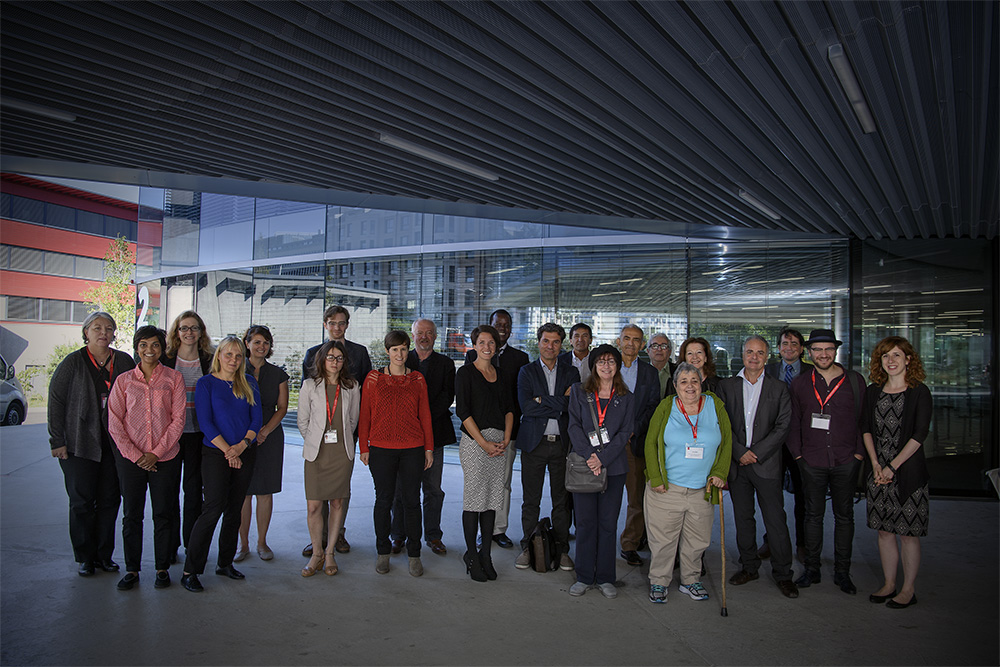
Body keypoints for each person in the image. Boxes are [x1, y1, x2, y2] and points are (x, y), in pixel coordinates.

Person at [48, 311, 135, 577]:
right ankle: (85, 557)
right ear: (86, 332)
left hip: (115, 445)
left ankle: (103, 556)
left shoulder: (123, 361)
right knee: (82, 501)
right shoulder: (72, 363)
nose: (103, 333)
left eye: (109, 328)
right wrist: (57, 440)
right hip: (78, 445)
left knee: (109, 500)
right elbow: (56, 401)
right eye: (97, 328)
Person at [717, 336, 798, 598]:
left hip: (767, 464)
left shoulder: (779, 388)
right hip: (738, 464)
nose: (754, 357)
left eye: (759, 353)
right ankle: (749, 566)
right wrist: (740, 452)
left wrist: (756, 453)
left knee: (775, 521)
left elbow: (783, 426)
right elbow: (722, 423)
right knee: (743, 519)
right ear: (742, 354)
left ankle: (784, 574)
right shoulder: (727, 386)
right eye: (749, 352)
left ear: (767, 356)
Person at [643, 362, 731, 604]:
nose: (690, 386)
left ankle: (690, 580)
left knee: (697, 540)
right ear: (675, 386)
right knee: (663, 540)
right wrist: (656, 478)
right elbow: (650, 444)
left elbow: (727, 441)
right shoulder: (666, 406)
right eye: (684, 382)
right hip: (667, 488)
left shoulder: (714, 405)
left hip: (703, 489)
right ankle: (659, 581)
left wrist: (721, 472)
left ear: (701, 382)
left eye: (694, 380)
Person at [787, 328, 866, 595]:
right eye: (818, 350)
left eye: (828, 349)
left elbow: (863, 421)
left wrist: (858, 455)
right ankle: (812, 569)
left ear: (835, 351)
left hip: (846, 459)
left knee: (845, 517)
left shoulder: (854, 381)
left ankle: (843, 572)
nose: (823, 354)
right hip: (812, 459)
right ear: (809, 353)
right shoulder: (799, 382)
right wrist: (799, 456)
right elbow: (793, 422)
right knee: (813, 516)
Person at [181, 336, 262, 592]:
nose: (234, 360)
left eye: (238, 356)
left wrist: (241, 447)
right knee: (212, 509)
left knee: (234, 509)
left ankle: (225, 563)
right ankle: (190, 570)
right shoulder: (205, 384)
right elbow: (205, 423)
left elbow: (256, 420)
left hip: (244, 451)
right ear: (219, 356)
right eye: (229, 355)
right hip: (216, 453)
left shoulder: (249, 382)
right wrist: (229, 450)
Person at [107, 326, 185, 590]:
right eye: (143, 345)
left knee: (163, 513)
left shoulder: (174, 379)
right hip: (131, 461)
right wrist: (137, 456)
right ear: (136, 347)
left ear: (162, 349)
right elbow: (115, 423)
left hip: (165, 458)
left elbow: (178, 421)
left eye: (154, 345)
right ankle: (132, 570)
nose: (149, 350)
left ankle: (162, 568)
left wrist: (156, 453)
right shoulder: (124, 381)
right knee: (132, 515)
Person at [862, 336, 931, 609]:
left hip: (908, 472)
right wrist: (877, 465)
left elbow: (919, 434)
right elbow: (865, 428)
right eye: (885, 356)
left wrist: (892, 466)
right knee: (883, 532)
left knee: (907, 533)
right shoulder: (872, 391)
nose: (890, 361)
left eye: (896, 355)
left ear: (908, 360)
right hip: (878, 472)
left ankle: (908, 589)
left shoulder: (919, 392)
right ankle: (889, 583)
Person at [358, 330, 434, 577]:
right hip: (381, 449)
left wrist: (428, 448)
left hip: (412, 448)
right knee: (383, 500)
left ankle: (414, 554)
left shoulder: (418, 380)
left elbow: (425, 415)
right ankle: (383, 552)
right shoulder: (373, 378)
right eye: (394, 350)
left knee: (412, 501)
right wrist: (364, 447)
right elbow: (365, 414)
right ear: (387, 351)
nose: (399, 354)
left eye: (403, 349)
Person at [301, 305, 372, 558]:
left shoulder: (360, 353)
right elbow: (306, 403)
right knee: (317, 496)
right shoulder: (312, 354)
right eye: (332, 322)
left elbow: (364, 398)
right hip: (319, 440)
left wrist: (355, 435)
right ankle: (317, 540)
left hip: (345, 436)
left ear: (347, 325)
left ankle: (338, 533)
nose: (337, 327)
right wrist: (312, 437)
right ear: (325, 324)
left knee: (341, 493)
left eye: (341, 323)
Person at [566, 344, 634, 598]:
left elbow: (625, 432)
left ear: (618, 366)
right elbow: (573, 426)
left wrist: (603, 459)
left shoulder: (626, 397)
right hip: (584, 466)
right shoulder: (579, 392)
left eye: (612, 362)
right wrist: (590, 456)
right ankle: (584, 576)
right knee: (584, 523)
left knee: (607, 524)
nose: (606, 366)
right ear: (593, 366)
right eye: (601, 362)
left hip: (614, 468)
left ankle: (605, 577)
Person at [514, 323, 578, 571]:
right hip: (534, 444)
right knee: (531, 500)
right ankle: (528, 548)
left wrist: (543, 399)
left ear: (561, 344)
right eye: (545, 341)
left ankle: (562, 550)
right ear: (538, 342)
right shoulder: (526, 372)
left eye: (555, 342)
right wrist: (559, 402)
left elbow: (573, 405)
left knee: (561, 501)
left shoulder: (571, 372)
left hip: (562, 445)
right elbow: (526, 407)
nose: (550, 346)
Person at [389, 319, 456, 556]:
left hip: (434, 436)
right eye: (420, 333)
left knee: (433, 489)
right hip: (403, 437)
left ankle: (433, 535)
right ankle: (398, 535)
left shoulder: (446, 364)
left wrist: (421, 418)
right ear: (412, 336)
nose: (424, 337)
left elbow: (447, 396)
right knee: (401, 489)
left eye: (429, 333)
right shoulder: (402, 360)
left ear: (435, 336)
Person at [465, 308, 529, 549]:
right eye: (497, 324)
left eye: (506, 324)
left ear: (511, 329)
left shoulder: (520, 359)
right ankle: (482, 530)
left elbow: (517, 401)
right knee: (479, 483)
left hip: (506, 433)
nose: (502, 327)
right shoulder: (472, 358)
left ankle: (498, 529)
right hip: (478, 435)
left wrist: (508, 436)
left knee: (503, 483)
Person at [455, 325, 513, 581]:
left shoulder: (501, 374)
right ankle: (471, 555)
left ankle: (486, 555)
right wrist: (483, 443)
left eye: (492, 342)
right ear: (474, 345)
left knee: (491, 502)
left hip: (499, 443)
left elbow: (511, 409)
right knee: (474, 501)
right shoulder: (465, 373)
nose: (487, 347)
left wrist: (506, 438)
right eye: (482, 342)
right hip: (474, 443)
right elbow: (463, 412)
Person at [297, 340, 360, 577]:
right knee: (314, 506)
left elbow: (353, 421)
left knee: (337, 503)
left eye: (339, 358)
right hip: (316, 453)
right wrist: (315, 439)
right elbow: (303, 422)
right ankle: (317, 553)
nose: (335, 362)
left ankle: (331, 552)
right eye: (330, 357)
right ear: (321, 359)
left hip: (341, 454)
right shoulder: (309, 386)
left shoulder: (352, 386)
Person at [161, 310, 214, 560]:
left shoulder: (210, 360)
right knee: (169, 491)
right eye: (184, 328)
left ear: (201, 331)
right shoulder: (165, 359)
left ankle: (191, 546)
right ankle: (169, 547)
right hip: (170, 435)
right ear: (176, 332)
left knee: (194, 492)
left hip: (199, 435)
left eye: (194, 328)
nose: (189, 332)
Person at [235, 326, 288, 562]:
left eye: (265, 342)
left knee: (265, 492)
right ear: (246, 343)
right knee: (243, 493)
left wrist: (265, 430)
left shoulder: (278, 373)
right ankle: (243, 544)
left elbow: (283, 407)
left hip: (270, 436)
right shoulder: (234, 368)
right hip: (239, 437)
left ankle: (262, 542)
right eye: (256, 342)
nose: (261, 347)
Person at [761, 326, 808, 562]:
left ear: (801, 349)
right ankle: (772, 540)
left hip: (801, 442)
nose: (789, 348)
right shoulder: (767, 370)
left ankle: (802, 543)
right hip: (773, 443)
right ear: (778, 348)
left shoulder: (811, 372)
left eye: (794, 344)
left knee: (803, 496)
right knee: (772, 496)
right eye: (784, 344)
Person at [618, 324, 661, 568]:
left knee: (636, 498)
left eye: (636, 340)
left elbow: (652, 405)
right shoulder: (606, 366)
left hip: (634, 443)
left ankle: (630, 544)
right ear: (618, 340)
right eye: (627, 338)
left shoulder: (649, 372)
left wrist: (634, 428)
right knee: (604, 497)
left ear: (642, 345)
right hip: (608, 444)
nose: (631, 343)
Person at [647, 333, 675, 400]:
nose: (659, 349)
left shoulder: (678, 371)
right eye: (655, 346)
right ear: (648, 351)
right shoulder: (640, 372)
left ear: (670, 352)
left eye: (663, 346)